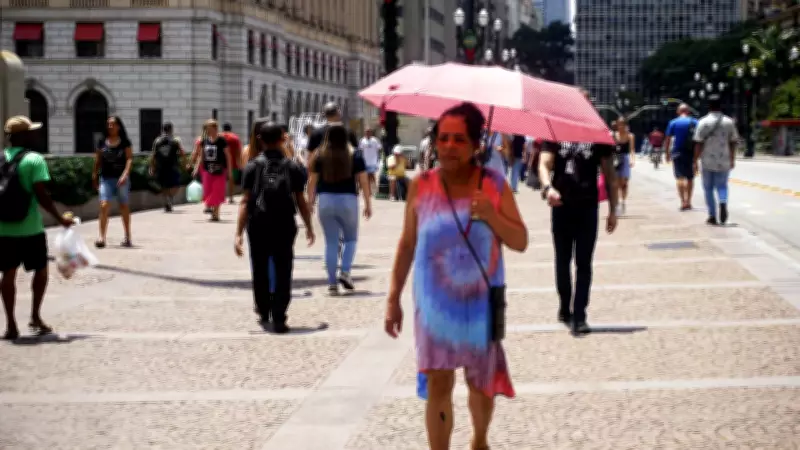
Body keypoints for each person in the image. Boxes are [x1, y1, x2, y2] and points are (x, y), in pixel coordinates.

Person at [384, 102, 528, 450]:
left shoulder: (493, 184)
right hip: (434, 303)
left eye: (459, 139)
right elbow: (407, 243)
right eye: (443, 138)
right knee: (438, 382)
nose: (449, 146)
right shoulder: (421, 185)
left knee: (481, 382)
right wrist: (393, 298)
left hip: (484, 302)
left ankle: (479, 439)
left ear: (477, 144)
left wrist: (492, 215)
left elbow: (520, 241)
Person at [235, 122, 315, 333]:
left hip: (258, 223)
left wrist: (238, 233)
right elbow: (300, 200)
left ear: (260, 140)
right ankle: (279, 316)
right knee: (283, 269)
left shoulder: (252, 166)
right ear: (282, 139)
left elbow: (245, 201)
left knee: (259, 267)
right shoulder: (292, 167)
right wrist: (309, 225)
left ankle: (263, 310)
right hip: (284, 223)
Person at [0, 116, 74, 340]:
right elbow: (42, 195)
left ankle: (11, 324)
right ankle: (35, 316)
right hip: (30, 228)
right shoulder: (34, 159)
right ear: (23, 136)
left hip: (4, 229)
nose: (35, 134)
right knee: (41, 271)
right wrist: (60, 219)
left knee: (7, 274)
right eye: (31, 131)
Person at [539, 137, 618, 335]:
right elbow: (544, 163)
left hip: (588, 206)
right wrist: (548, 187)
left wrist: (613, 210)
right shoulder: (555, 133)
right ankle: (565, 304)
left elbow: (610, 175)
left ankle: (580, 314)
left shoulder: (598, 136)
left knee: (584, 262)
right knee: (562, 259)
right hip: (561, 205)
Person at [307, 124, 372, 295]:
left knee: (331, 242)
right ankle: (345, 271)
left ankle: (332, 283)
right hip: (348, 200)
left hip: (325, 200)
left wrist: (310, 202)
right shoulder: (354, 154)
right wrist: (368, 203)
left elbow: (312, 181)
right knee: (350, 240)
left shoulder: (320, 155)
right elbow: (364, 180)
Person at [693, 95, 739, 226]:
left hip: (707, 160)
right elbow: (733, 141)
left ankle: (712, 215)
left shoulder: (703, 122)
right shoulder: (729, 122)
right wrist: (732, 158)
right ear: (721, 105)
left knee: (708, 188)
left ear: (709, 106)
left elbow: (698, 143)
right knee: (722, 185)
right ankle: (723, 202)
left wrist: (695, 160)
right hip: (724, 159)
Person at [92, 115, 134, 248]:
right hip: (106, 178)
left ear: (118, 126)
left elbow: (129, 159)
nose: (110, 126)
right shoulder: (102, 141)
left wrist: (125, 174)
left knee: (124, 206)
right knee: (104, 205)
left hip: (121, 178)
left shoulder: (125, 142)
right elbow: (97, 160)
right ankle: (101, 237)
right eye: (108, 124)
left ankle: (127, 236)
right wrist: (94, 175)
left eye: (113, 124)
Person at [191, 119, 231, 221]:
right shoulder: (204, 141)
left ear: (215, 129)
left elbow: (228, 156)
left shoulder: (221, 141)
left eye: (209, 129)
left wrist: (229, 171)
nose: (207, 131)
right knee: (208, 192)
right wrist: (196, 169)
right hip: (207, 171)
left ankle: (216, 214)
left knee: (217, 192)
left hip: (219, 171)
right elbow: (201, 156)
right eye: (206, 129)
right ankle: (213, 211)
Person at [664, 104, 699, 211]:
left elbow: (668, 139)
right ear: (688, 111)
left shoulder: (673, 122)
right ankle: (689, 201)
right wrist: (697, 157)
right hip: (690, 152)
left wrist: (667, 153)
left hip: (677, 152)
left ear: (678, 112)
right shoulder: (695, 122)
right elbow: (698, 141)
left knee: (680, 177)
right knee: (690, 178)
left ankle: (683, 201)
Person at [149, 121, 184, 212]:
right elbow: (182, 153)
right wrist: (184, 162)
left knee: (164, 185)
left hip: (161, 167)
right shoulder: (175, 140)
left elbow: (153, 155)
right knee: (176, 184)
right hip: (172, 166)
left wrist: (152, 167)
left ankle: (167, 200)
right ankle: (169, 199)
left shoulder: (157, 141)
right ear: (171, 130)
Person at [612, 118, 635, 214]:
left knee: (624, 183)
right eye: (619, 124)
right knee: (616, 184)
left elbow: (632, 149)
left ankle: (623, 201)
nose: (621, 126)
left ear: (626, 125)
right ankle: (617, 205)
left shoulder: (630, 136)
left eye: (623, 124)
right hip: (615, 159)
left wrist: (632, 160)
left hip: (625, 159)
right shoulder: (613, 135)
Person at [220, 123, 243, 204]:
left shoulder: (219, 137)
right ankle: (231, 198)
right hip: (233, 163)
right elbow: (238, 152)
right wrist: (239, 164)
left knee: (220, 180)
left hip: (220, 163)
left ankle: (220, 197)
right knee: (231, 181)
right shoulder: (235, 138)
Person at [358, 127, 382, 195]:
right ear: (365, 132)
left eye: (369, 131)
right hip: (365, 161)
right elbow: (360, 150)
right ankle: (368, 191)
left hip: (373, 162)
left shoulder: (375, 140)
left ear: (371, 132)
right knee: (366, 176)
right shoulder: (362, 140)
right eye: (366, 131)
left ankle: (375, 190)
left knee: (372, 176)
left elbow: (379, 148)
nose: (367, 133)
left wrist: (378, 158)